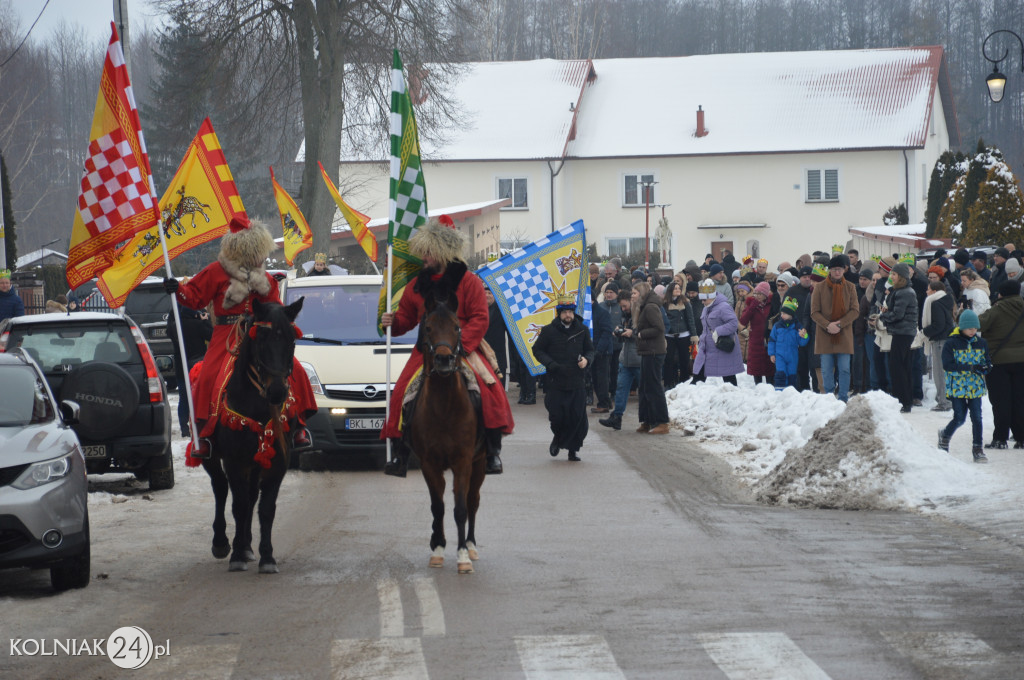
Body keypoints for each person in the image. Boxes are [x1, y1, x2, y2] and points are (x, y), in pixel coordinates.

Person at [163, 217, 317, 459]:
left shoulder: (266, 280)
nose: (259, 258)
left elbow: (274, 307)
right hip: (226, 335)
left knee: (294, 369)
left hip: (258, 334)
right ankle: (204, 434)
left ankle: (298, 425)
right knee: (209, 377)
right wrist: (177, 289)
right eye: (255, 252)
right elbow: (194, 296)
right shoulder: (216, 271)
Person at [380, 217, 514, 475]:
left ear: (442, 251)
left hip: (463, 346)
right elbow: (406, 318)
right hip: (427, 349)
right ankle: (400, 452)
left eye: (428, 253)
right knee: (401, 393)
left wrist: (460, 345)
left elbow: (480, 318)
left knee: (490, 390)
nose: (424, 258)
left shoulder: (469, 281)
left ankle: (491, 451)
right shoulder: (417, 285)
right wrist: (392, 322)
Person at [532, 293, 595, 461]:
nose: (568, 315)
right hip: (555, 381)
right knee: (556, 416)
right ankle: (557, 437)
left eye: (570, 312)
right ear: (559, 313)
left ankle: (572, 450)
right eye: (565, 312)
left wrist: (587, 360)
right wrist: (551, 364)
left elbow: (590, 350)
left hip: (576, 380)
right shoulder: (548, 331)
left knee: (576, 417)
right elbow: (537, 350)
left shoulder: (582, 330)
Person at [937, 310, 990, 463]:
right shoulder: (951, 343)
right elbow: (947, 365)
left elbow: (986, 360)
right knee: (959, 417)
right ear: (962, 327)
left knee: (977, 418)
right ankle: (945, 435)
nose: (973, 331)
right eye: (970, 328)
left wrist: (986, 367)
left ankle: (977, 448)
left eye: (975, 328)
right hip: (957, 387)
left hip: (975, 388)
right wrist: (970, 368)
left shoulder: (981, 343)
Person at [978, 280, 1024, 449]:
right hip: (1022, 361)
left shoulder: (997, 309)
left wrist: (961, 314)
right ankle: (1021, 438)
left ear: (1001, 293)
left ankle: (1000, 438)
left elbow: (978, 324)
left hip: (999, 362)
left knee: (1001, 401)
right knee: (1020, 400)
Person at [810, 254, 859, 402]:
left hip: (843, 333)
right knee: (826, 369)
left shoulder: (850, 287)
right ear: (829, 270)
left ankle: (843, 397)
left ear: (844, 270)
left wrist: (839, 324)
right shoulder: (819, 288)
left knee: (844, 368)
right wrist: (827, 325)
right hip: (825, 334)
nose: (837, 272)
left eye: (840, 269)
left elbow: (855, 310)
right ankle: (830, 398)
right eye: (834, 269)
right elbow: (814, 312)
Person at [167, 304, 213, 435]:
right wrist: (205, 321)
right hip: (197, 366)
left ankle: (184, 427)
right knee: (200, 395)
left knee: (184, 396)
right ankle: (200, 423)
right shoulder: (198, 325)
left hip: (181, 365)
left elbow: (169, 326)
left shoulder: (175, 326)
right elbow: (212, 336)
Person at [879, 261, 919, 412]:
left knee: (898, 368)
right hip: (902, 332)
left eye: (894, 274)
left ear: (901, 276)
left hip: (903, 333)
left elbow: (897, 315)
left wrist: (883, 316)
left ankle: (902, 400)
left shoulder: (905, 292)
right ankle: (905, 400)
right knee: (903, 366)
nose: (891, 277)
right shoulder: (902, 291)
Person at [632, 282, 670, 434]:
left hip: (654, 352)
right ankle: (647, 420)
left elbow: (659, 328)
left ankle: (662, 422)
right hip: (648, 351)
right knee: (645, 386)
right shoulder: (644, 306)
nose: (632, 296)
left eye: (634, 293)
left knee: (654, 387)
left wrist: (641, 334)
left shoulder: (650, 307)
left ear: (641, 294)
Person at [599, 291, 640, 431]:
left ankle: (651, 419)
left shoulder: (641, 314)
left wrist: (632, 333)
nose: (623, 309)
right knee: (621, 389)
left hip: (639, 359)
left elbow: (648, 333)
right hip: (626, 358)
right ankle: (617, 417)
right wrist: (620, 332)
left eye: (624, 306)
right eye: (621, 307)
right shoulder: (626, 316)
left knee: (647, 391)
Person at [692, 279, 742, 385]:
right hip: (707, 347)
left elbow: (733, 323)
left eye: (704, 300)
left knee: (728, 376)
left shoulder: (724, 307)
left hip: (721, 346)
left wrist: (718, 331)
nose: (702, 302)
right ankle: (693, 393)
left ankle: (734, 396)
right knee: (699, 373)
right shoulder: (706, 308)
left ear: (711, 297)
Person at [922, 279, 954, 412]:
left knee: (939, 372)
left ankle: (944, 402)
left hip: (940, 340)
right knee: (945, 371)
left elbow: (938, 325)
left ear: (935, 291)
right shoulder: (947, 301)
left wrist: (925, 332)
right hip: (947, 339)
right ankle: (946, 399)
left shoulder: (935, 303)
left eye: (928, 289)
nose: (926, 292)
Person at [767, 297, 810, 390]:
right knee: (781, 373)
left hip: (792, 356)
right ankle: (779, 391)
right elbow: (772, 340)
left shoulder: (797, 327)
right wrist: (771, 354)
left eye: (785, 313)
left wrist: (805, 336)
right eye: (781, 313)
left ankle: (790, 392)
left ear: (791, 314)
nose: (782, 315)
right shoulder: (777, 326)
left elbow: (802, 343)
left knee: (791, 374)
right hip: (780, 356)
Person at [663, 280, 695, 387]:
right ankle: (669, 382)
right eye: (675, 288)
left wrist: (693, 334)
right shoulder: (665, 304)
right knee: (669, 360)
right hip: (669, 335)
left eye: (679, 288)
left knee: (684, 360)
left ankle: (684, 381)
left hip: (683, 334)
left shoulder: (685, 303)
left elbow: (690, 319)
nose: (677, 290)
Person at [740, 281, 773, 384]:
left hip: (769, 339)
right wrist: (752, 307)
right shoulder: (751, 304)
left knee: (770, 368)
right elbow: (743, 320)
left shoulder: (771, 304)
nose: (757, 296)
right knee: (756, 368)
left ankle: (771, 390)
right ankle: (758, 389)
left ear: (766, 294)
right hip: (755, 340)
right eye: (756, 293)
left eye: (760, 294)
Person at [589, 288, 614, 413]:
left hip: (602, 352)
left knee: (601, 379)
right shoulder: (589, 313)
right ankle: (606, 402)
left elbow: (606, 332)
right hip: (594, 351)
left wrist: (599, 350)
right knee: (596, 378)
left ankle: (603, 403)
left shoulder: (601, 313)